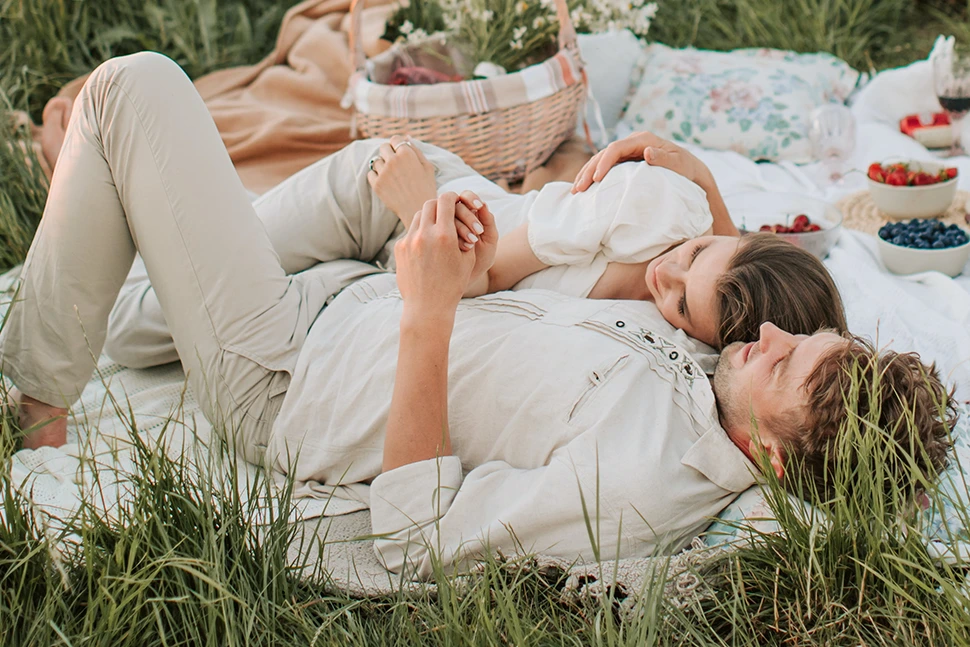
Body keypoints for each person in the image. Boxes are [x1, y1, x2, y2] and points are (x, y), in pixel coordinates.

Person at [0, 53, 954, 579]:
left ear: (777, 460)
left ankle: (38, 399)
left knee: (133, 90)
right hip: (344, 296)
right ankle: (114, 308)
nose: (768, 339)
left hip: (286, 380)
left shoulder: (638, 483)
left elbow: (417, 540)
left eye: (786, 364)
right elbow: (748, 277)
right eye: (799, 336)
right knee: (136, 307)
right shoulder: (719, 384)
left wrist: (429, 311)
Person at [100, 121, 846, 371]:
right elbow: (483, 272)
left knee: (197, 307)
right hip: (405, 198)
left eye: (683, 305)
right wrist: (413, 199)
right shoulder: (642, 214)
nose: (665, 277)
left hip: (411, 260)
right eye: (692, 254)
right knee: (143, 323)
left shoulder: (703, 343)